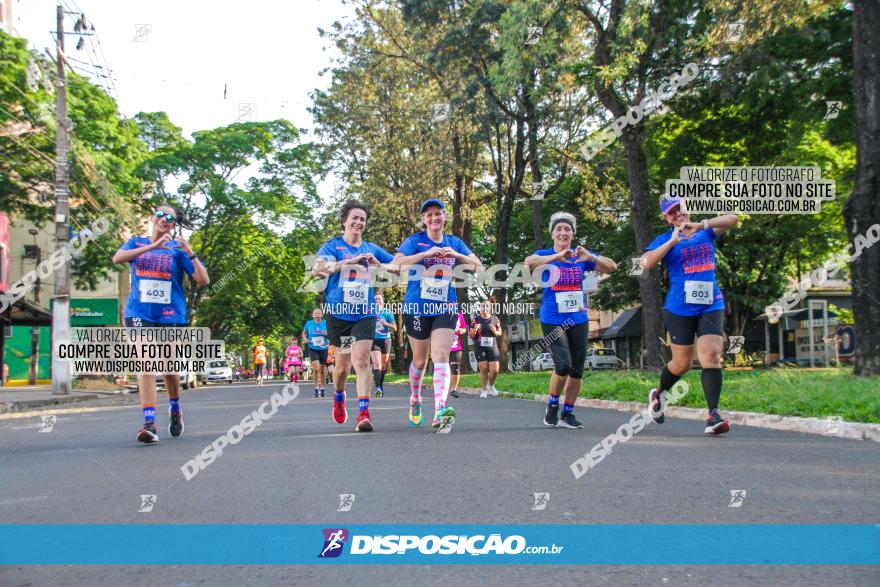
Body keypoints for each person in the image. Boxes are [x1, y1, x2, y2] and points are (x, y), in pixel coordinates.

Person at [112, 204, 209, 444]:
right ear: (152, 217)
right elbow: (117, 258)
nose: (164, 220)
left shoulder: (177, 249)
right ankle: (149, 424)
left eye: (170, 218)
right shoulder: (135, 243)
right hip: (138, 312)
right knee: (145, 363)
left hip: (170, 315)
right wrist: (153, 246)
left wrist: (191, 253)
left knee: (168, 368)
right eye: (160, 215)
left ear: (174, 224)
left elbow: (203, 279)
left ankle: (175, 408)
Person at [641, 195, 739, 435]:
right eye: (670, 212)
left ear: (687, 209)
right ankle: (659, 395)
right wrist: (671, 243)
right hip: (679, 307)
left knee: (712, 356)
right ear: (665, 218)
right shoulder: (663, 239)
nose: (677, 214)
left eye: (679, 209)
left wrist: (701, 224)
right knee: (682, 363)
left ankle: (713, 415)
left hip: (710, 303)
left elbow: (733, 219)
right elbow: (645, 263)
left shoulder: (706, 232)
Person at [394, 198, 483, 432]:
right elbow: (398, 263)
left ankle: (440, 408)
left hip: (445, 304)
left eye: (438, 214)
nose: (434, 218)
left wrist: (456, 254)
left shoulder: (454, 242)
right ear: (424, 219)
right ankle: (415, 398)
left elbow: (478, 265)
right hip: (416, 306)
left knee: (441, 353)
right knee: (420, 360)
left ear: (444, 217)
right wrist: (425, 255)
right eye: (429, 215)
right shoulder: (415, 241)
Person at [524, 211, 618, 429]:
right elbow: (529, 263)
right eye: (559, 229)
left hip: (578, 317)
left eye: (567, 229)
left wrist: (591, 258)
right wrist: (556, 257)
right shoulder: (545, 254)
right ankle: (553, 405)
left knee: (577, 368)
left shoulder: (580, 256)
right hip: (552, 317)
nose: (563, 232)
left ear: (573, 234)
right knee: (563, 364)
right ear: (552, 234)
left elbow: (612, 267)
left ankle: (568, 412)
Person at [312, 200, 396, 432]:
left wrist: (381, 265)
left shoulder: (371, 249)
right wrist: (346, 262)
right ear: (344, 221)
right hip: (340, 316)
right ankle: (339, 396)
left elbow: (399, 266)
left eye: (363, 220)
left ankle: (363, 414)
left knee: (361, 360)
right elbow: (316, 269)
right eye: (355, 218)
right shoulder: (332, 247)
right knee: (342, 367)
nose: (359, 222)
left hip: (364, 313)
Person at [470, 302, 502, 399]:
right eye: (483, 306)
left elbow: (500, 332)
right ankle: (484, 390)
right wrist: (475, 329)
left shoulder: (495, 319)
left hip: (493, 346)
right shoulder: (475, 320)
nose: (484, 308)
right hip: (480, 347)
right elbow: (471, 335)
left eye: (486, 306)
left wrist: (494, 331)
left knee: (495, 370)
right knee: (483, 370)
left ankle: (490, 386)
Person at [371, 292, 396, 398]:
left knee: (383, 365)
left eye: (379, 299)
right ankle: (377, 388)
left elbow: (395, 328)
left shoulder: (387, 312)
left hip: (385, 340)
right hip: (373, 341)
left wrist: (385, 323)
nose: (377, 301)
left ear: (383, 301)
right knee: (377, 364)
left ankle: (380, 386)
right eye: (375, 299)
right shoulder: (370, 313)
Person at [302, 308, 329, 397]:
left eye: (319, 313)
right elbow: (304, 332)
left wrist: (327, 333)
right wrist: (305, 339)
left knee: (322, 370)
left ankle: (323, 388)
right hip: (312, 347)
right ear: (313, 315)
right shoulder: (309, 323)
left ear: (322, 315)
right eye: (315, 313)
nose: (317, 314)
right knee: (316, 368)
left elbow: (332, 332)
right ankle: (316, 388)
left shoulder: (326, 322)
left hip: (324, 348)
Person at [448, 311, 468, 399]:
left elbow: (464, 328)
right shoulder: (439, 313)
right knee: (443, 369)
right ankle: (444, 389)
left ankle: (453, 390)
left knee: (455, 368)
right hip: (442, 347)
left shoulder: (459, 315)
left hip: (456, 346)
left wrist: (461, 330)